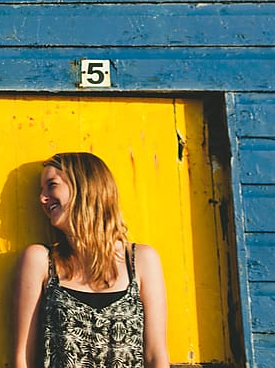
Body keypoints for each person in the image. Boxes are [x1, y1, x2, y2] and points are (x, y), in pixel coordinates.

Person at [12, 152, 169, 368]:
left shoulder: (141, 260)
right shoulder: (40, 261)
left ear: (84, 186)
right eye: (42, 190)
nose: (42, 198)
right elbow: (24, 359)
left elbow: (155, 356)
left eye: (52, 185)